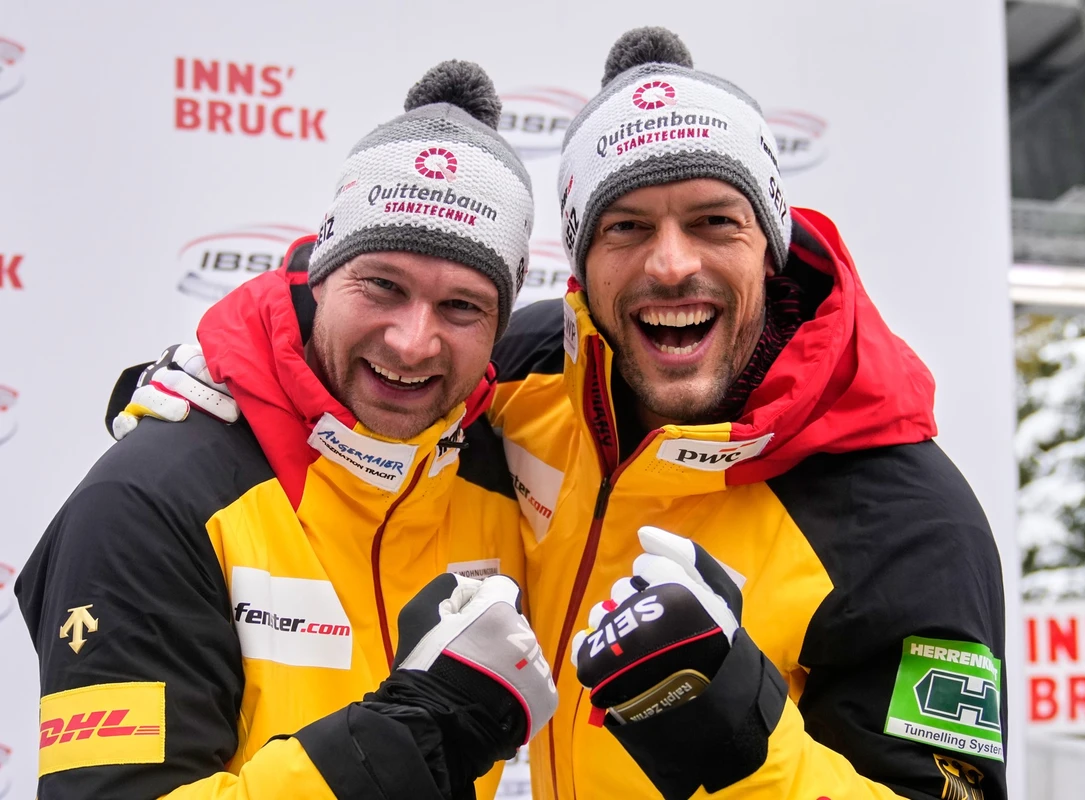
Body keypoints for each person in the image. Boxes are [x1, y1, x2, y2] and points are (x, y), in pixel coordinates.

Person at [101, 27, 1008, 800]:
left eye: (712, 221)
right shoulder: (538, 369)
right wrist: (230, 390)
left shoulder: (910, 522)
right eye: (626, 228)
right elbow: (383, 350)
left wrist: (747, 738)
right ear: (581, 264)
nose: (668, 264)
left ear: (768, 246)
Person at [16, 61, 556, 800]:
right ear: (320, 273)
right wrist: (401, 740)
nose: (412, 342)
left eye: (462, 306)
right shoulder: (149, 501)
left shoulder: (502, 471)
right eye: (383, 286)